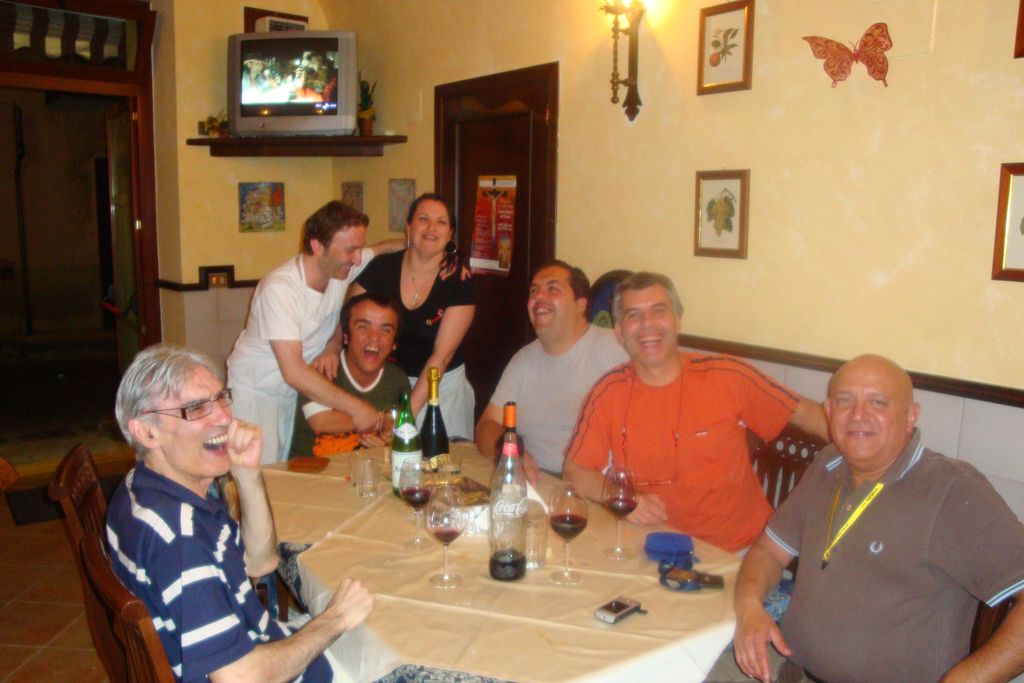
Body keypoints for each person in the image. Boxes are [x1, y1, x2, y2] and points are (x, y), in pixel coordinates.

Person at [732, 354, 1024, 683]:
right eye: (845, 401)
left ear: (910, 415)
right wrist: (749, 608)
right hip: (791, 671)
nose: (858, 415)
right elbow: (769, 551)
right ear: (829, 411)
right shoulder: (829, 463)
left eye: (878, 402)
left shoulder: (952, 491)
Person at [107, 344, 373, 681]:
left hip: (252, 637)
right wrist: (332, 622)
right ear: (146, 432)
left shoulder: (145, 485)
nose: (224, 417)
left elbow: (260, 563)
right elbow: (237, 677)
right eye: (196, 408)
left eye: (221, 398)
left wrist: (247, 474)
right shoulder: (181, 539)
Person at [563, 272, 828, 553]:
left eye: (658, 311)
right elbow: (574, 471)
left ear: (678, 321)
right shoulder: (608, 393)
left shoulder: (727, 376)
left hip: (739, 551)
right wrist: (622, 497)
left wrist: (861, 453)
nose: (647, 324)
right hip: (653, 546)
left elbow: (805, 412)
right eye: (633, 316)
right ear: (619, 333)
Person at [227, 200, 402, 464]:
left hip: (292, 393)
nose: (357, 259)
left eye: (359, 248)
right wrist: (357, 409)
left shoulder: (338, 268)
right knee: (257, 475)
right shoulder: (280, 289)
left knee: (282, 472)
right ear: (318, 246)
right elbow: (294, 371)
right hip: (256, 394)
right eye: (350, 250)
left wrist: (432, 247)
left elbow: (383, 249)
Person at [474, 260, 627, 482]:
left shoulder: (615, 349)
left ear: (580, 305)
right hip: (535, 482)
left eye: (553, 288)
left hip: (595, 487)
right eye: (533, 291)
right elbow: (486, 426)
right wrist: (508, 451)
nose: (539, 297)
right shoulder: (522, 360)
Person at [351, 193, 476, 438]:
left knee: (438, 460)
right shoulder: (380, 268)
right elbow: (349, 322)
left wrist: (406, 417)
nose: (431, 228)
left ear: (450, 234)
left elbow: (441, 357)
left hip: (442, 390)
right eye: (423, 219)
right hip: (387, 385)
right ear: (408, 227)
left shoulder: (459, 280)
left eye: (441, 222)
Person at [290, 292, 411, 458]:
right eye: (363, 327)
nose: (374, 338)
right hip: (311, 471)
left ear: (394, 344)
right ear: (346, 336)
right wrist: (380, 420)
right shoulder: (323, 370)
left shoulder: (397, 380)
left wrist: (388, 446)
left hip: (367, 472)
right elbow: (321, 421)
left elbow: (404, 437)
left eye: (385, 330)